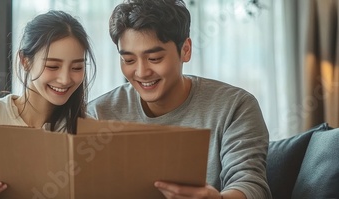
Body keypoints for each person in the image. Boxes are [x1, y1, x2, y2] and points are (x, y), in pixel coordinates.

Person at [87, 0, 271, 198]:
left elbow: (251, 186)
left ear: (186, 50)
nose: (141, 72)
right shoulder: (98, 115)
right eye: (128, 60)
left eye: (155, 58)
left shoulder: (235, 107)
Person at [0, 10, 96, 199]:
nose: (65, 79)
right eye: (53, 66)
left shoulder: (88, 130)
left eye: (77, 67)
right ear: (25, 61)